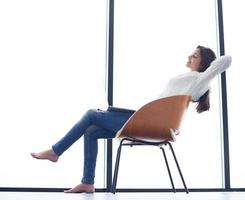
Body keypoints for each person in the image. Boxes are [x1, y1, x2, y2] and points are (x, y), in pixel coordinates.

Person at [31, 45, 232, 193]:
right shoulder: (191, 78)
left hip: (154, 125)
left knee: (91, 114)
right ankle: (88, 182)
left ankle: (55, 151)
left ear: (204, 64)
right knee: (91, 131)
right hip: (146, 118)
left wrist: (207, 72)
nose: (189, 56)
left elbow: (227, 59)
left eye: (195, 55)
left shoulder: (199, 81)